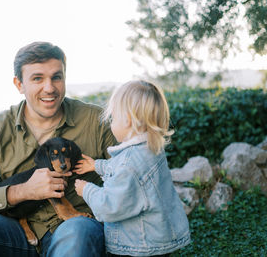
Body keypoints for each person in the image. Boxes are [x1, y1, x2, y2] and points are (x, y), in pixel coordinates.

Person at [0, 41, 116, 257]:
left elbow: (131, 173)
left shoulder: (96, 120)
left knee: (78, 232)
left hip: (77, 226)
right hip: (15, 232)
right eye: (38, 78)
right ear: (19, 84)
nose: (50, 88)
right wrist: (22, 191)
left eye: (57, 76)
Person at [74, 80, 191, 256]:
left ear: (128, 120)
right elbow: (124, 171)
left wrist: (86, 190)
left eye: (113, 118)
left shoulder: (129, 164)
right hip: (156, 237)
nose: (111, 123)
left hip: (137, 246)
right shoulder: (149, 150)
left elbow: (109, 206)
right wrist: (96, 165)